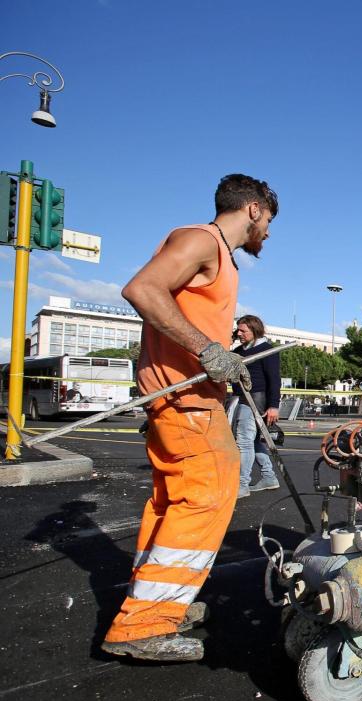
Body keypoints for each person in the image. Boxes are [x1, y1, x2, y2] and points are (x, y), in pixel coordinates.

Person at [100, 174, 277, 662]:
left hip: (183, 398)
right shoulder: (203, 240)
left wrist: (218, 353)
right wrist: (206, 350)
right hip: (186, 401)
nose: (267, 236)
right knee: (206, 496)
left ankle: (159, 600)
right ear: (255, 210)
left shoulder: (212, 251)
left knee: (173, 500)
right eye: (268, 224)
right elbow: (142, 289)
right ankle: (144, 625)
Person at [229, 314, 281, 497]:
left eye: (243, 330)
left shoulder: (266, 350)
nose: (239, 333)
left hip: (254, 401)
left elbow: (274, 380)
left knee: (243, 442)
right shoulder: (239, 351)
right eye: (238, 329)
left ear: (254, 330)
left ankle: (242, 485)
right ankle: (268, 476)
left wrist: (274, 405)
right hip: (242, 400)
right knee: (251, 441)